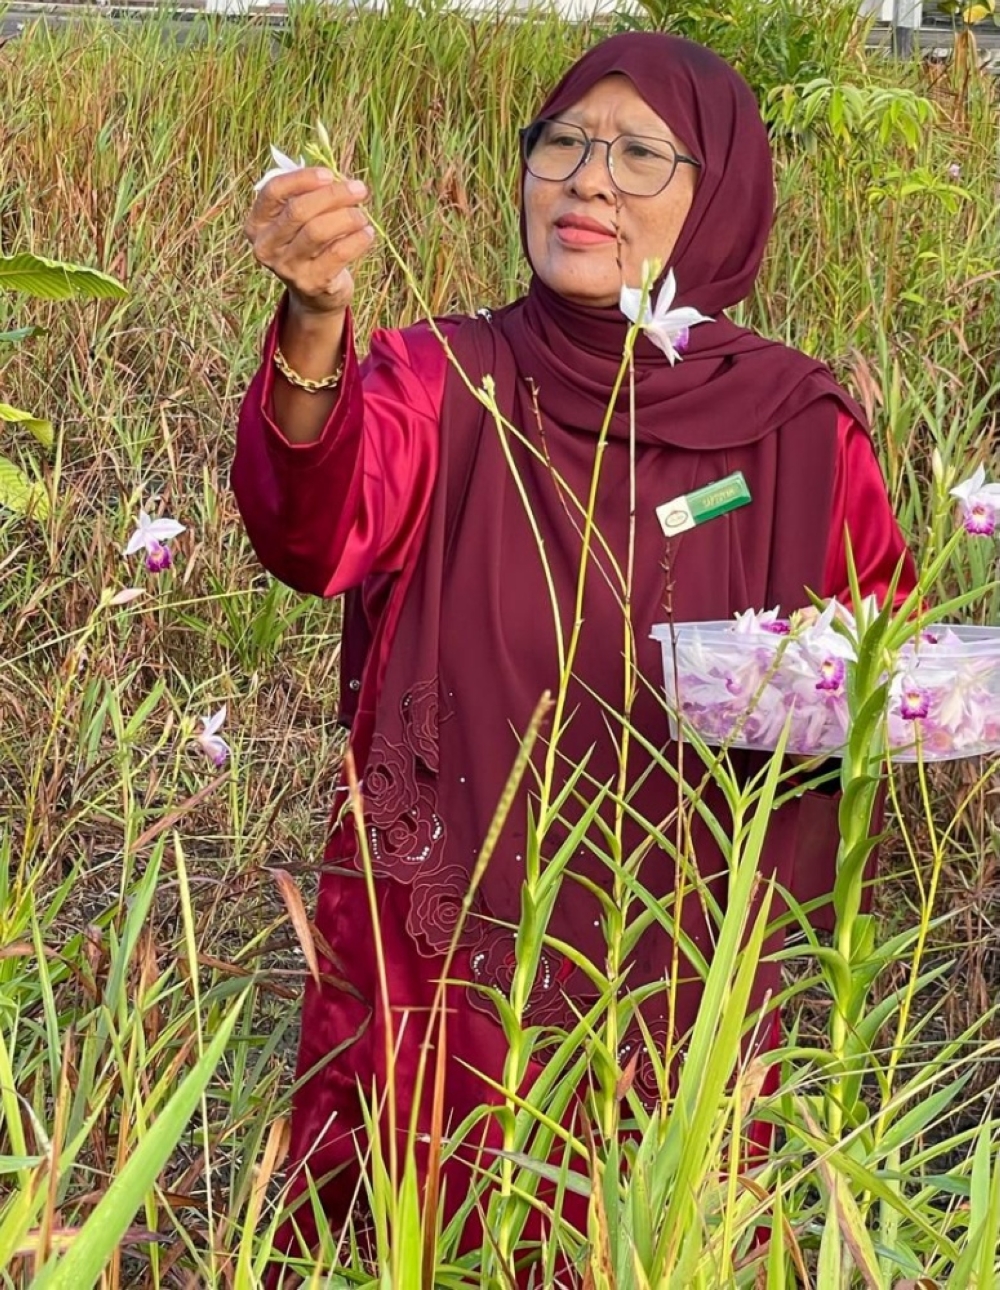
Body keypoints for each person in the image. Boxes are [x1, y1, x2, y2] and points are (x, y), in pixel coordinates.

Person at [233, 30, 917, 1275]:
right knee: (418, 1212)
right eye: (562, 142)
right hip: (447, 947)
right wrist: (315, 323)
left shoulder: (795, 425)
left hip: (683, 937)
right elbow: (311, 528)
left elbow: (881, 655)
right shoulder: (444, 378)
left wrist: (851, 686)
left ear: (721, 197)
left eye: (640, 154)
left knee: (649, 1223)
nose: (588, 179)